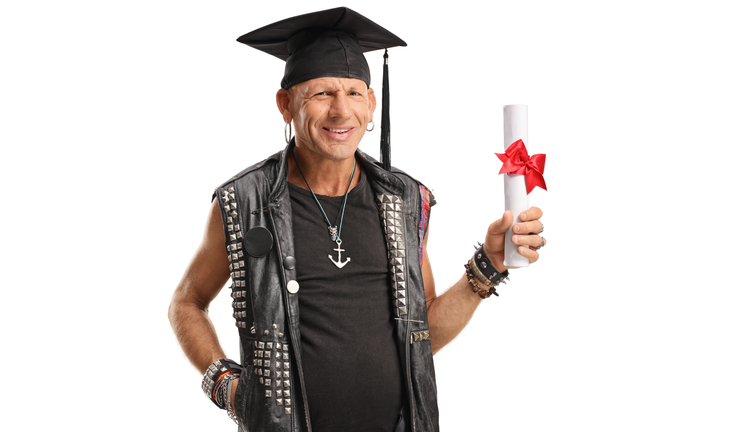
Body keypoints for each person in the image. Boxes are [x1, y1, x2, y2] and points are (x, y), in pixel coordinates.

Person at [168, 7, 546, 432]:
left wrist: (490, 264)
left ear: (371, 103)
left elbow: (419, 337)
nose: (340, 111)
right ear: (285, 104)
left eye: (353, 93)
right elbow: (187, 302)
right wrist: (226, 386)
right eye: (322, 94)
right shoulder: (244, 201)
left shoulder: (404, 200)